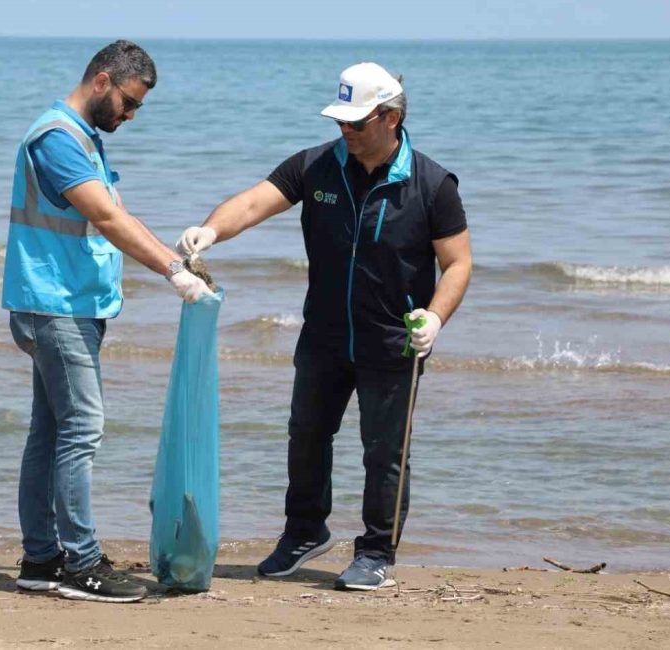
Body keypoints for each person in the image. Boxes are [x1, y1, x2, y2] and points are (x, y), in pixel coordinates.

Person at [176, 62, 472, 590]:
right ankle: (305, 532)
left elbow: (458, 263)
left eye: (357, 122)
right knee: (307, 435)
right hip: (325, 335)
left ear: (390, 117)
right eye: (342, 121)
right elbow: (252, 202)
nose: (346, 131)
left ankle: (377, 552)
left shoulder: (432, 184)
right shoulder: (315, 167)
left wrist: (435, 315)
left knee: (385, 452)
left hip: (393, 341)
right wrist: (211, 230)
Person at [2, 40, 211, 604]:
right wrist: (172, 272)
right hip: (55, 307)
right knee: (81, 430)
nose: (131, 115)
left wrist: (175, 255)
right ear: (101, 81)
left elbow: (115, 213)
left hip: (65, 305)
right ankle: (82, 564)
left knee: (50, 433)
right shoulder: (57, 138)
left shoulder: (83, 140)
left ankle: (42, 558)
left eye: (138, 107)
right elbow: (105, 216)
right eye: (128, 102)